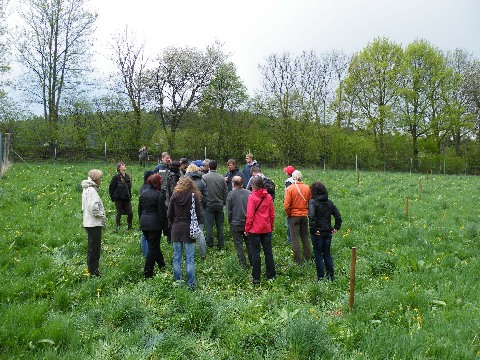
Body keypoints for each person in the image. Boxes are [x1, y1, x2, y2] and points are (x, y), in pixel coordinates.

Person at [168, 176, 203, 289]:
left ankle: (178, 282)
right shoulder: (193, 196)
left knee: (177, 258)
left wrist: (174, 223)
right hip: (189, 229)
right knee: (190, 258)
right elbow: (198, 213)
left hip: (176, 229)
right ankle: (191, 284)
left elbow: (169, 214)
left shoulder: (174, 196)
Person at [244, 176, 276, 284]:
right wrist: (271, 226)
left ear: (254, 186)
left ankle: (256, 277)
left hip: (254, 230)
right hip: (266, 228)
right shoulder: (268, 197)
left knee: (255, 253)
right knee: (268, 252)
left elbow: (250, 215)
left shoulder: (252, 197)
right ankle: (271, 275)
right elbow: (272, 214)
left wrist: (247, 229)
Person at [308, 181, 342, 281]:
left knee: (318, 254)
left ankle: (321, 277)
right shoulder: (329, 202)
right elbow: (338, 215)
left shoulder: (313, 202)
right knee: (327, 253)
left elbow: (311, 216)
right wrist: (336, 227)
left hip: (318, 232)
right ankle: (331, 276)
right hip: (328, 231)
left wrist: (314, 229)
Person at [138, 174, 168, 278]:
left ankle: (162, 264)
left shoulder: (143, 193)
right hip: (155, 225)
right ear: (157, 183)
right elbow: (162, 214)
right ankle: (148, 272)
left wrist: (141, 222)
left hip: (144, 223)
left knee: (153, 245)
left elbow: (139, 210)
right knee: (152, 248)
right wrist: (166, 229)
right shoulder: (158, 195)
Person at [284, 170, 312, 264]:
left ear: (293, 177)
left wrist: (289, 214)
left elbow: (286, 205)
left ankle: (298, 260)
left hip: (294, 216)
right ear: (301, 177)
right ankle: (308, 257)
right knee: (305, 237)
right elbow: (310, 202)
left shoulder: (290, 189)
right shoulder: (307, 188)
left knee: (295, 238)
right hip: (304, 215)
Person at [81, 169, 106, 277]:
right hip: (94, 223)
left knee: (91, 248)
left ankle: (91, 269)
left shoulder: (86, 189)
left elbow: (84, 206)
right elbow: (93, 207)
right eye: (100, 177)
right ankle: (94, 272)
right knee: (95, 250)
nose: (101, 179)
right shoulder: (92, 190)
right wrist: (101, 215)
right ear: (96, 178)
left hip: (88, 222)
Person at [226, 176, 252, 268]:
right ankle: (253, 263)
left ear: (233, 183)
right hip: (248, 223)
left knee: (239, 245)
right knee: (249, 244)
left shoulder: (230, 194)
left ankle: (243, 264)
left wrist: (229, 221)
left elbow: (229, 210)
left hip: (235, 223)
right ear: (243, 183)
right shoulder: (249, 193)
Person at [202, 160, 228, 250]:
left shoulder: (204, 177)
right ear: (217, 167)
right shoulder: (221, 178)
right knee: (219, 225)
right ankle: (221, 243)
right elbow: (225, 192)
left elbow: (202, 191)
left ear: (209, 167)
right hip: (219, 204)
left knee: (209, 225)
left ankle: (210, 244)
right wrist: (224, 202)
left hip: (209, 205)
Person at [185, 163, 208, 259]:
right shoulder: (202, 181)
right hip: (200, 209)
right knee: (200, 232)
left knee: (188, 232)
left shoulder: (184, 181)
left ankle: (190, 254)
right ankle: (203, 254)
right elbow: (206, 197)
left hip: (187, 210)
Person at [109, 162, 133, 229]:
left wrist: (129, 195)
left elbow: (129, 187)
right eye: (122, 165)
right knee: (119, 212)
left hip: (126, 197)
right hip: (118, 198)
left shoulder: (127, 176)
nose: (124, 165)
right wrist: (112, 197)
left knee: (130, 212)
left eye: (124, 164)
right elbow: (111, 187)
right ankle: (118, 226)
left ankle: (130, 226)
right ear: (119, 168)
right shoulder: (116, 177)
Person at [139, 170, 154, 258]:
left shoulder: (142, 187)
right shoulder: (148, 188)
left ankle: (145, 253)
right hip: (149, 215)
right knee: (147, 237)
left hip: (144, 215)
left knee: (144, 236)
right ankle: (148, 254)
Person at [283, 165, 295, 244]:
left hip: (290, 205)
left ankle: (289, 240)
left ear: (288, 173)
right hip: (296, 204)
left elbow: (288, 194)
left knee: (289, 224)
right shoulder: (295, 179)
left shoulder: (288, 181)